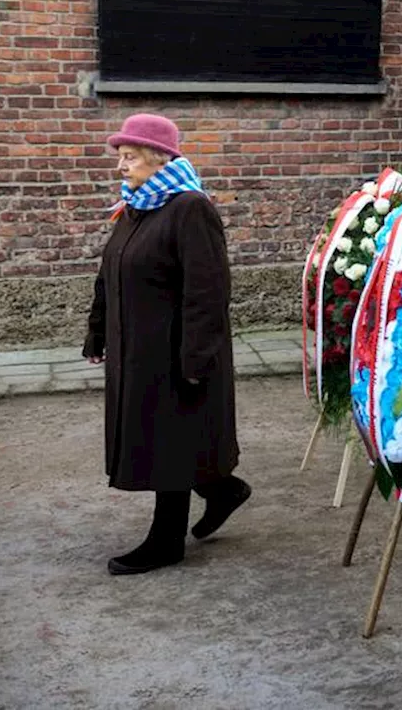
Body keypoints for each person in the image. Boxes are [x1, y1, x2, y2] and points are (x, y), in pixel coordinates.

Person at [83, 113, 247, 575]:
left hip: (177, 352)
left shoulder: (189, 208)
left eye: (130, 157)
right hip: (138, 349)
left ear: (159, 158)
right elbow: (109, 272)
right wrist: (96, 329)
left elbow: (208, 290)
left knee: (168, 441)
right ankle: (223, 490)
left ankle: (166, 539)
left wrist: (196, 358)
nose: (122, 166)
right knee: (167, 437)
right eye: (121, 157)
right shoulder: (135, 206)